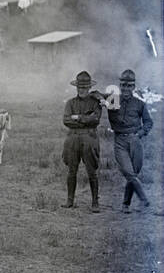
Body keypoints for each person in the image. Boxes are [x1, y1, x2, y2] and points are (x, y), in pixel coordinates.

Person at [107, 68, 152, 212]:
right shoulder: (112, 100)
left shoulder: (140, 104)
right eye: (123, 85)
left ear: (133, 86)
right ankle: (144, 199)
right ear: (120, 85)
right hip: (120, 141)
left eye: (129, 85)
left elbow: (148, 122)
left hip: (136, 141)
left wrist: (140, 133)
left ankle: (125, 204)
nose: (125, 88)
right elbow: (99, 97)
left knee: (134, 174)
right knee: (128, 172)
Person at [62, 70, 104, 211]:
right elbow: (66, 120)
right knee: (71, 170)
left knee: (92, 171)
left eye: (85, 87)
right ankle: (70, 201)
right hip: (73, 138)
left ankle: (95, 202)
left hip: (89, 138)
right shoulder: (70, 102)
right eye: (79, 87)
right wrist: (86, 119)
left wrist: (78, 118)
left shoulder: (95, 103)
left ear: (89, 88)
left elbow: (96, 119)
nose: (82, 90)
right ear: (76, 88)